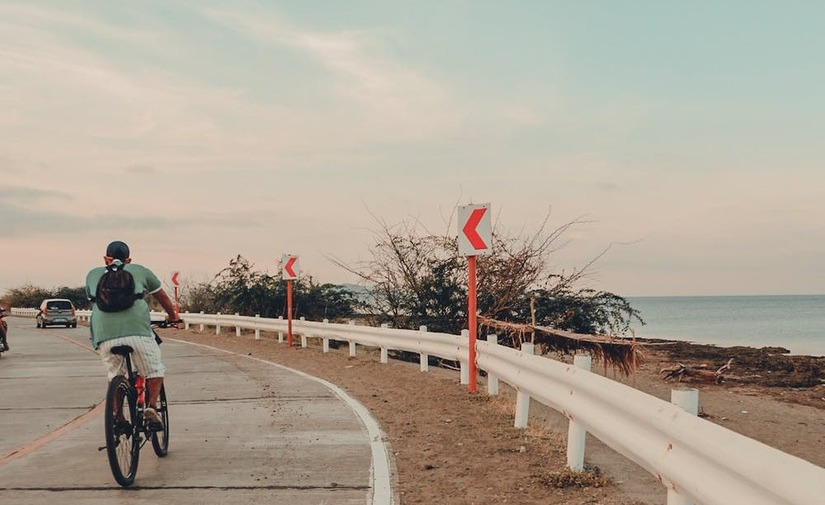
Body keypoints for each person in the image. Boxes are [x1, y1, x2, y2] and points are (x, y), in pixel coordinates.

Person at [86, 240, 178, 429]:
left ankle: (117, 416)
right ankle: (151, 408)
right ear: (129, 259)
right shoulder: (140, 270)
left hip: (104, 334)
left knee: (115, 375)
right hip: (138, 332)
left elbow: (95, 302)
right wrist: (172, 317)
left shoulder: (93, 274)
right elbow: (163, 298)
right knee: (154, 370)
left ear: (106, 259)